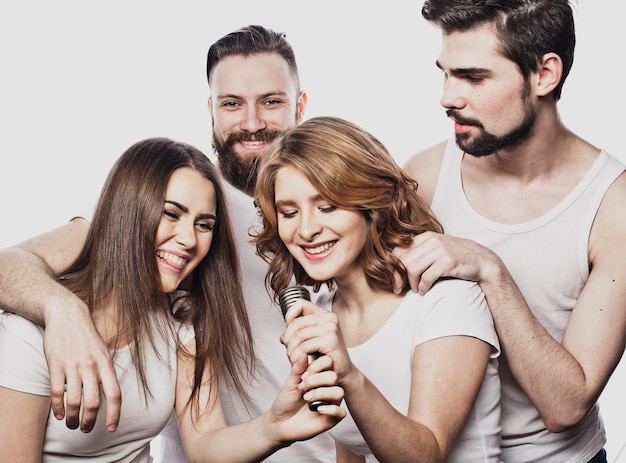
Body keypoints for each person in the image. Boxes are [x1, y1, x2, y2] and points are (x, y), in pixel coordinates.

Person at [0, 25, 338, 462]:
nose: (252, 123)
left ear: (300, 105)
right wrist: (61, 309)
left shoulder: (337, 206)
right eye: (232, 103)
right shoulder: (180, 187)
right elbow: (13, 263)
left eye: (271, 101)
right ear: (211, 110)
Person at [396, 1, 626, 462]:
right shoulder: (423, 176)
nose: (447, 97)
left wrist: (489, 270)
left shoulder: (613, 206)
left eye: (474, 78)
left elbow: (567, 405)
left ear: (545, 74)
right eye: (445, 73)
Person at [252, 116, 502, 462]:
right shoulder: (321, 312)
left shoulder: (445, 300)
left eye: (327, 206)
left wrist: (350, 377)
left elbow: (426, 455)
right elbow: (353, 447)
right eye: (289, 212)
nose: (306, 229)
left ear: (370, 201)